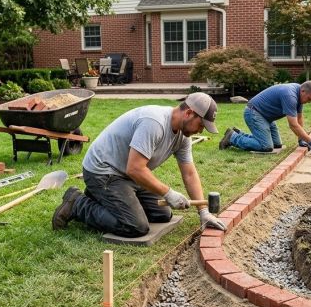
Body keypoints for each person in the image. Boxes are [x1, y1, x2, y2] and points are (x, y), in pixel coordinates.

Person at [52, 92, 227, 237]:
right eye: (201, 125)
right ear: (189, 113)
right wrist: (168, 193)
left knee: (162, 214)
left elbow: (189, 173)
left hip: (127, 175)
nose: (201, 130)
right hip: (104, 172)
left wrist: (203, 211)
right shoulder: (154, 123)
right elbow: (135, 168)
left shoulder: (183, 135)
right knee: (135, 226)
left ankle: (104, 199)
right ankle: (77, 203)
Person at [219, 80, 311, 154]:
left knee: (277, 145)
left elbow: (299, 119)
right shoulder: (290, 95)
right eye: (309, 98)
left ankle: (239, 134)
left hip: (266, 117)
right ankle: (233, 138)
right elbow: (293, 125)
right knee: (266, 147)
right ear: (303, 91)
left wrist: (301, 140)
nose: (309, 102)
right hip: (254, 113)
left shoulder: (299, 95)